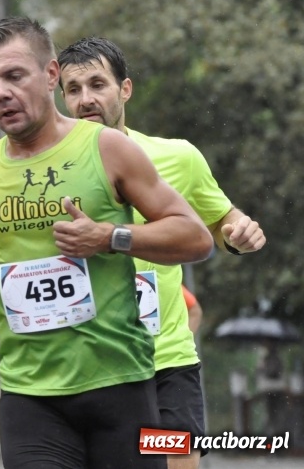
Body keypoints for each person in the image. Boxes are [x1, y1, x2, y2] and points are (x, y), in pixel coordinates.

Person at [0, 16, 213, 468]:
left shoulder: (107, 147)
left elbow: (195, 237)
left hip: (119, 386)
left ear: (50, 75)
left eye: (14, 76)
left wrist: (110, 236)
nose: (0, 93)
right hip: (28, 394)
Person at [57, 36, 266, 469]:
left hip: (166, 363)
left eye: (98, 85)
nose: (86, 99)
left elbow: (221, 221)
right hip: (91, 367)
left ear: (125, 89)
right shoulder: (48, 172)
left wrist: (238, 233)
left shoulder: (177, 157)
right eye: (73, 90)